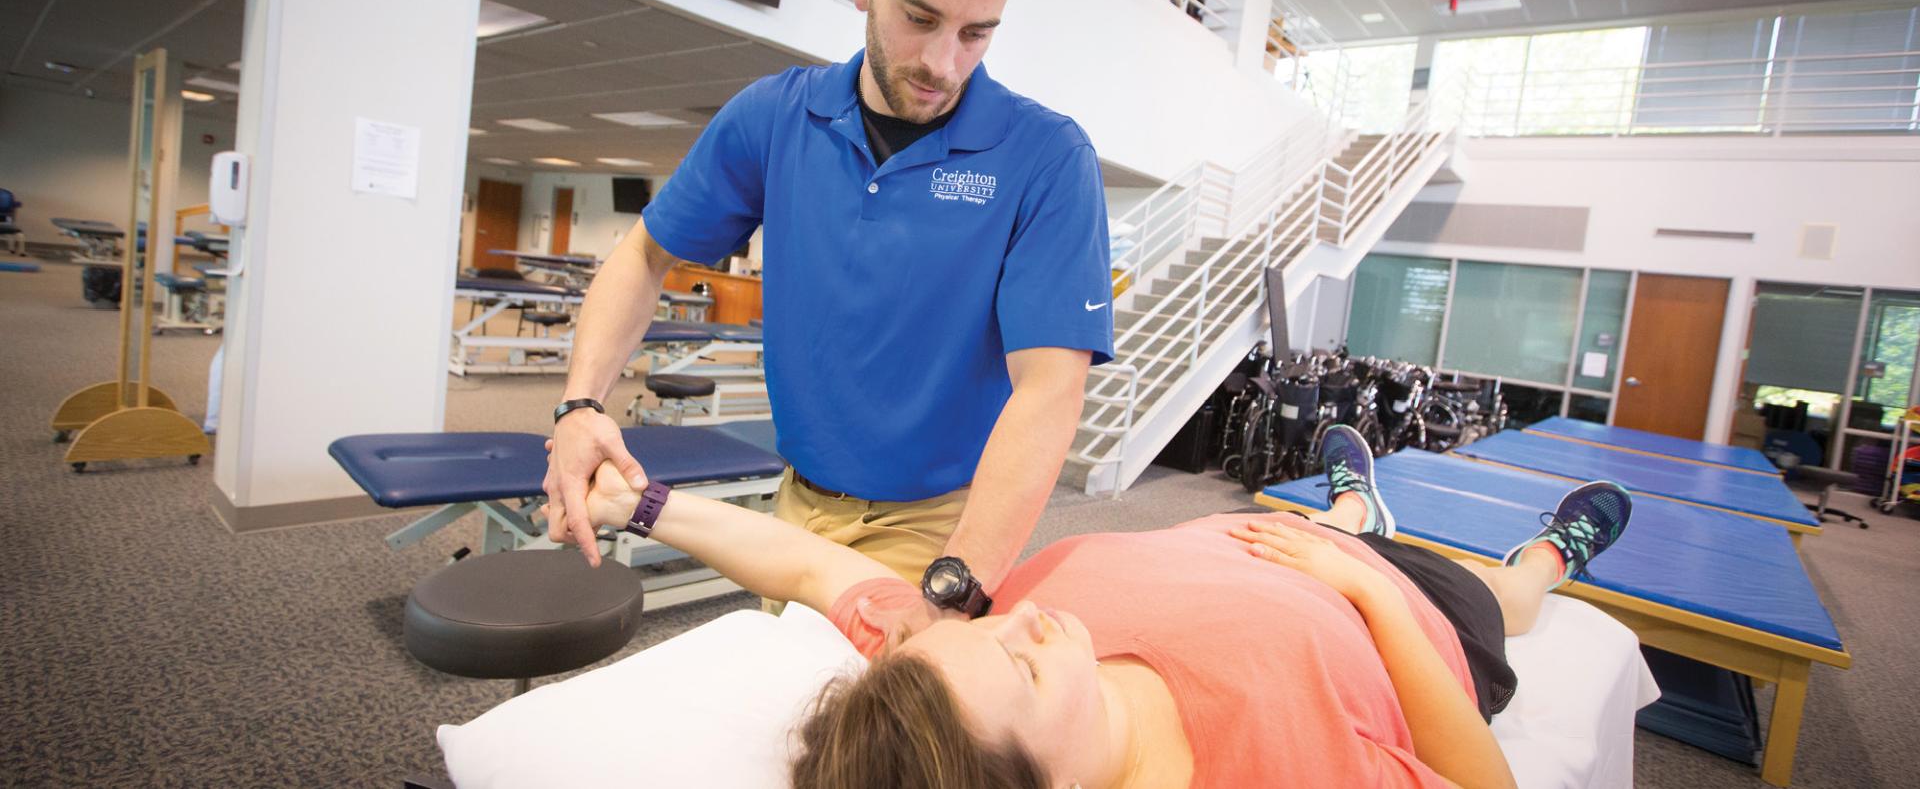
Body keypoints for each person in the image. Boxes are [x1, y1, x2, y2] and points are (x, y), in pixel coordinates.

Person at [542, 0, 1114, 618]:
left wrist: (958, 581)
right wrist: (580, 405)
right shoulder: (776, 116)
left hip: (938, 521)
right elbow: (643, 255)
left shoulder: (1046, 157)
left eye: (977, 32)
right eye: (920, 17)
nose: (944, 61)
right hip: (797, 505)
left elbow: (1050, 390)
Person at [555, 425, 1635, 788]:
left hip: (1275, 545)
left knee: (1345, 522)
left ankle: (1353, 499)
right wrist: (1367, 594)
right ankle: (1551, 551)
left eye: (987, 632)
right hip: (1410, 610)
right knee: (1504, 596)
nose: (1025, 621)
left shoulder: (950, 684)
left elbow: (804, 568)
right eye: (1027, 664)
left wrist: (639, 499)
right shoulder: (1272, 761)